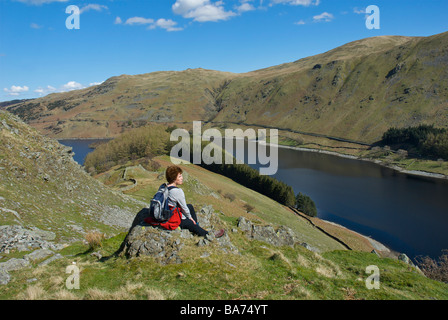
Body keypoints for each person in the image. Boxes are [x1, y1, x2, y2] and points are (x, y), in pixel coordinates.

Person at [165, 165, 225, 238]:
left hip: (166, 213)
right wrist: (190, 218)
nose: (182, 178)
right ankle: (208, 234)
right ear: (174, 178)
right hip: (172, 219)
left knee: (190, 206)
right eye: (180, 176)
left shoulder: (164, 186)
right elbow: (184, 209)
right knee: (190, 222)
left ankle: (196, 227)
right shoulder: (177, 191)